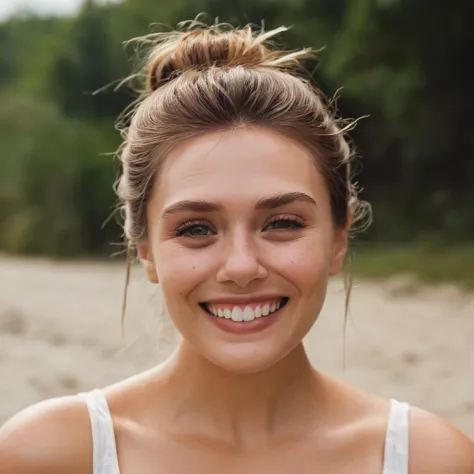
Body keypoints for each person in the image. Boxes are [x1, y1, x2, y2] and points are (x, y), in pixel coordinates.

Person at [1, 19, 473, 474]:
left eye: (282, 223)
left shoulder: (427, 459)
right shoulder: (50, 455)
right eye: (196, 229)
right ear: (145, 249)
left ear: (338, 237)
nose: (241, 266)